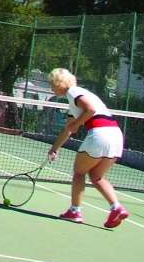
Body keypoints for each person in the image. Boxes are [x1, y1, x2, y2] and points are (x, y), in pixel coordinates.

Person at [45, 67, 129, 228]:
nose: (51, 88)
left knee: (79, 172)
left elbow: (90, 109)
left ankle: (75, 211)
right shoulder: (74, 101)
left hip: (100, 134)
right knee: (96, 177)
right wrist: (54, 148)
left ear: (59, 82)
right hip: (116, 136)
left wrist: (77, 123)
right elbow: (68, 129)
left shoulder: (73, 92)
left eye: (52, 84)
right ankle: (117, 208)